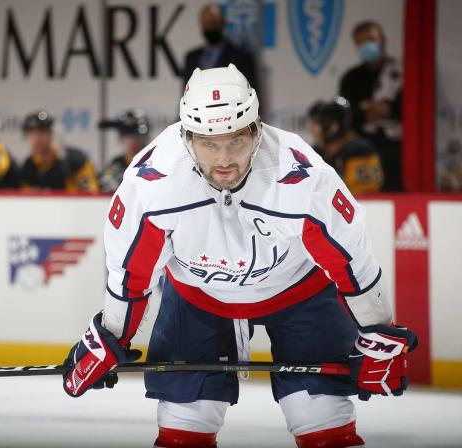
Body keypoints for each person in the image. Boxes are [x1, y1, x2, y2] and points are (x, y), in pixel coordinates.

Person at [61, 64, 417, 447]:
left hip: (300, 290)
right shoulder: (151, 184)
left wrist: (378, 334)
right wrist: (110, 337)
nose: (224, 159)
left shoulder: (302, 176)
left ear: (256, 131)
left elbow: (352, 262)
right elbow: (131, 275)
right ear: (186, 138)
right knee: (186, 424)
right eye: (208, 143)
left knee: (322, 419)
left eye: (236, 141)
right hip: (198, 297)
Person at [339, 21, 402, 191]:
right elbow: (349, 116)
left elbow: (404, 111)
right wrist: (374, 111)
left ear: (383, 39)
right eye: (362, 42)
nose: (368, 45)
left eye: (371, 39)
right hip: (365, 150)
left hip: (397, 150)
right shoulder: (351, 79)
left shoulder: (401, 72)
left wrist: (387, 110)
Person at [308, 97, 384, 194]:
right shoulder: (316, 151)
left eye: (322, 122)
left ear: (336, 124)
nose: (313, 128)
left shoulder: (360, 150)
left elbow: (366, 192)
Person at [183, 3, 260, 97]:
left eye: (213, 23)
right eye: (206, 24)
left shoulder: (242, 58)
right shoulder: (191, 58)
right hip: (198, 109)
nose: (210, 27)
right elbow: (184, 96)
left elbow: (252, 96)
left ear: (222, 24)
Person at [19, 110, 99, 192]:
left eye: (42, 132)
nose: (36, 139)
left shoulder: (76, 161)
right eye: (31, 133)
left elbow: (91, 195)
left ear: (52, 134)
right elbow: (26, 198)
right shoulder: (28, 166)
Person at [99, 109, 151, 193]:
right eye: (124, 135)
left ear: (143, 137)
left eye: (133, 136)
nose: (129, 141)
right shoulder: (116, 165)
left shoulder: (154, 163)